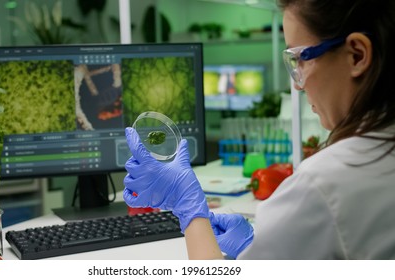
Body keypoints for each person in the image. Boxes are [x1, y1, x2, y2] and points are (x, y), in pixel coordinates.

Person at [123, 0, 395, 259]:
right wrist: (255, 247)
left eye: (300, 58)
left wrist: (189, 210)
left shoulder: (322, 184)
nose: (298, 84)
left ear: (357, 55)